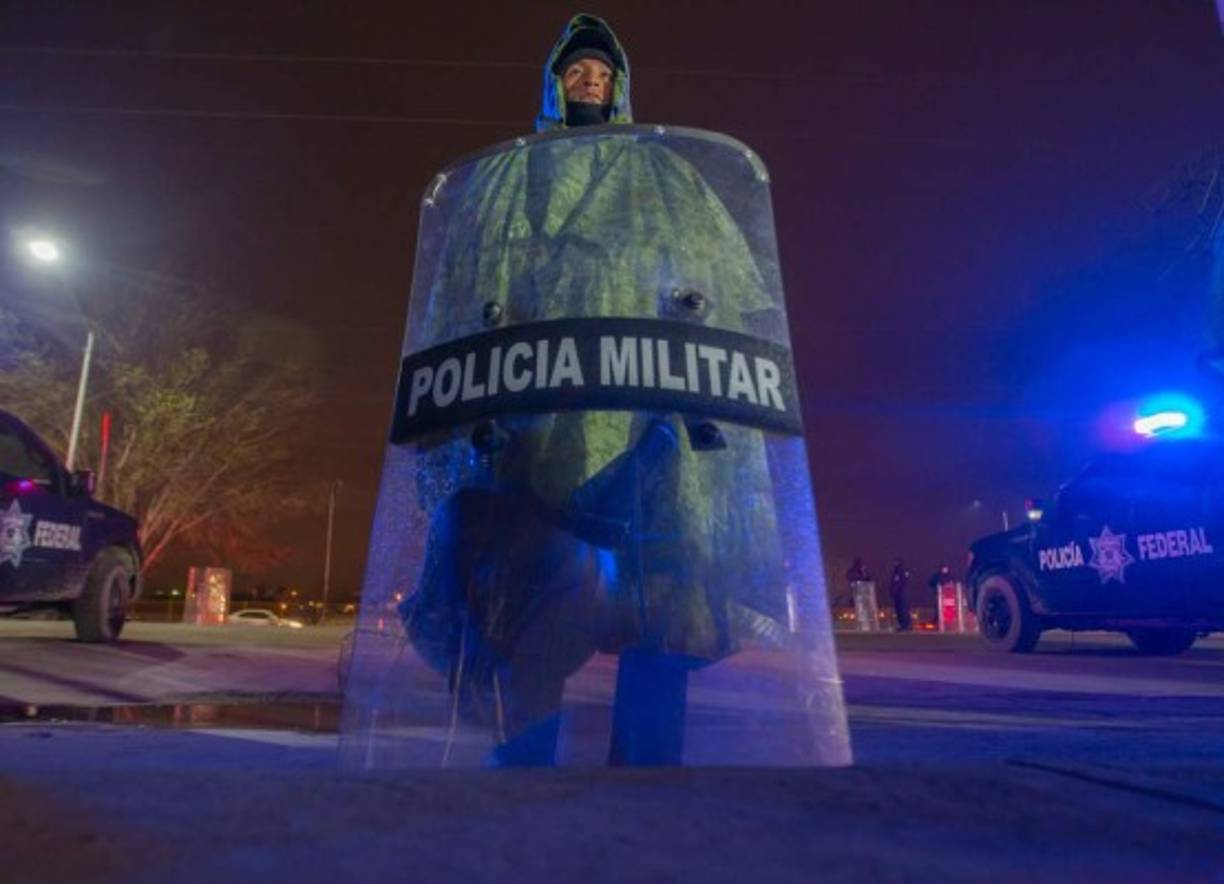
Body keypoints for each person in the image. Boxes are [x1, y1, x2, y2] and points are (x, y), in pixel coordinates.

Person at [399, 14, 788, 766]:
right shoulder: (509, 178)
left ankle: (645, 774)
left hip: (645, 420)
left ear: (620, 84)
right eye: (575, 70)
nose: (588, 80)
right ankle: (523, 769)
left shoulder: (664, 174)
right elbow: (465, 285)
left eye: (600, 72)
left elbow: (716, 288)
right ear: (554, 82)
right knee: (529, 594)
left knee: (662, 595)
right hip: (535, 419)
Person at [888, 559, 911, 631]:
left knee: (902, 610)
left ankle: (905, 625)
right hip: (899, 594)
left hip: (901, 594)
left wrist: (895, 591)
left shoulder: (901, 572)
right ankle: (904, 625)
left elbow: (899, 584)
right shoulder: (897, 572)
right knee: (900, 610)